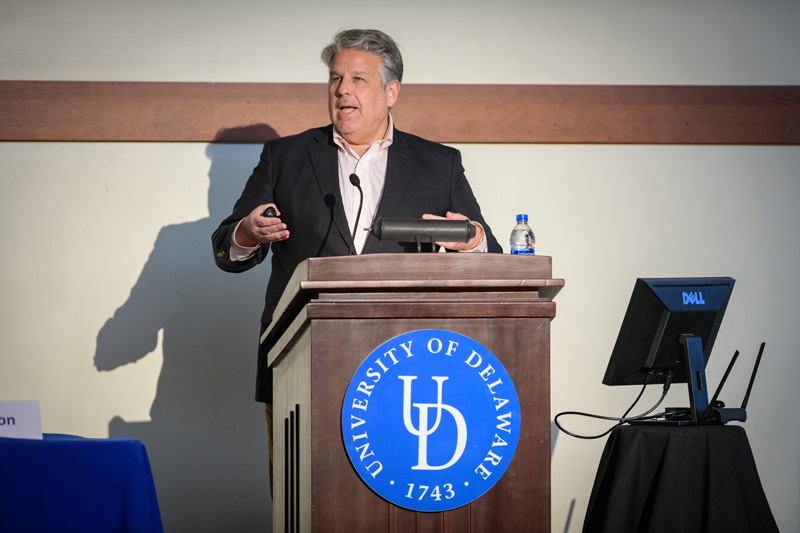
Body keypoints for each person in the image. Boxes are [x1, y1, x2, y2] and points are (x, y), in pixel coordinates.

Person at [211, 28, 502, 485]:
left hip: (408, 373)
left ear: (391, 91)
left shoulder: (439, 163)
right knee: (303, 495)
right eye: (335, 78)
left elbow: (490, 255)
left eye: (358, 79)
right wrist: (247, 233)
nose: (342, 89)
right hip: (299, 365)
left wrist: (472, 242)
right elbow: (228, 250)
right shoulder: (284, 157)